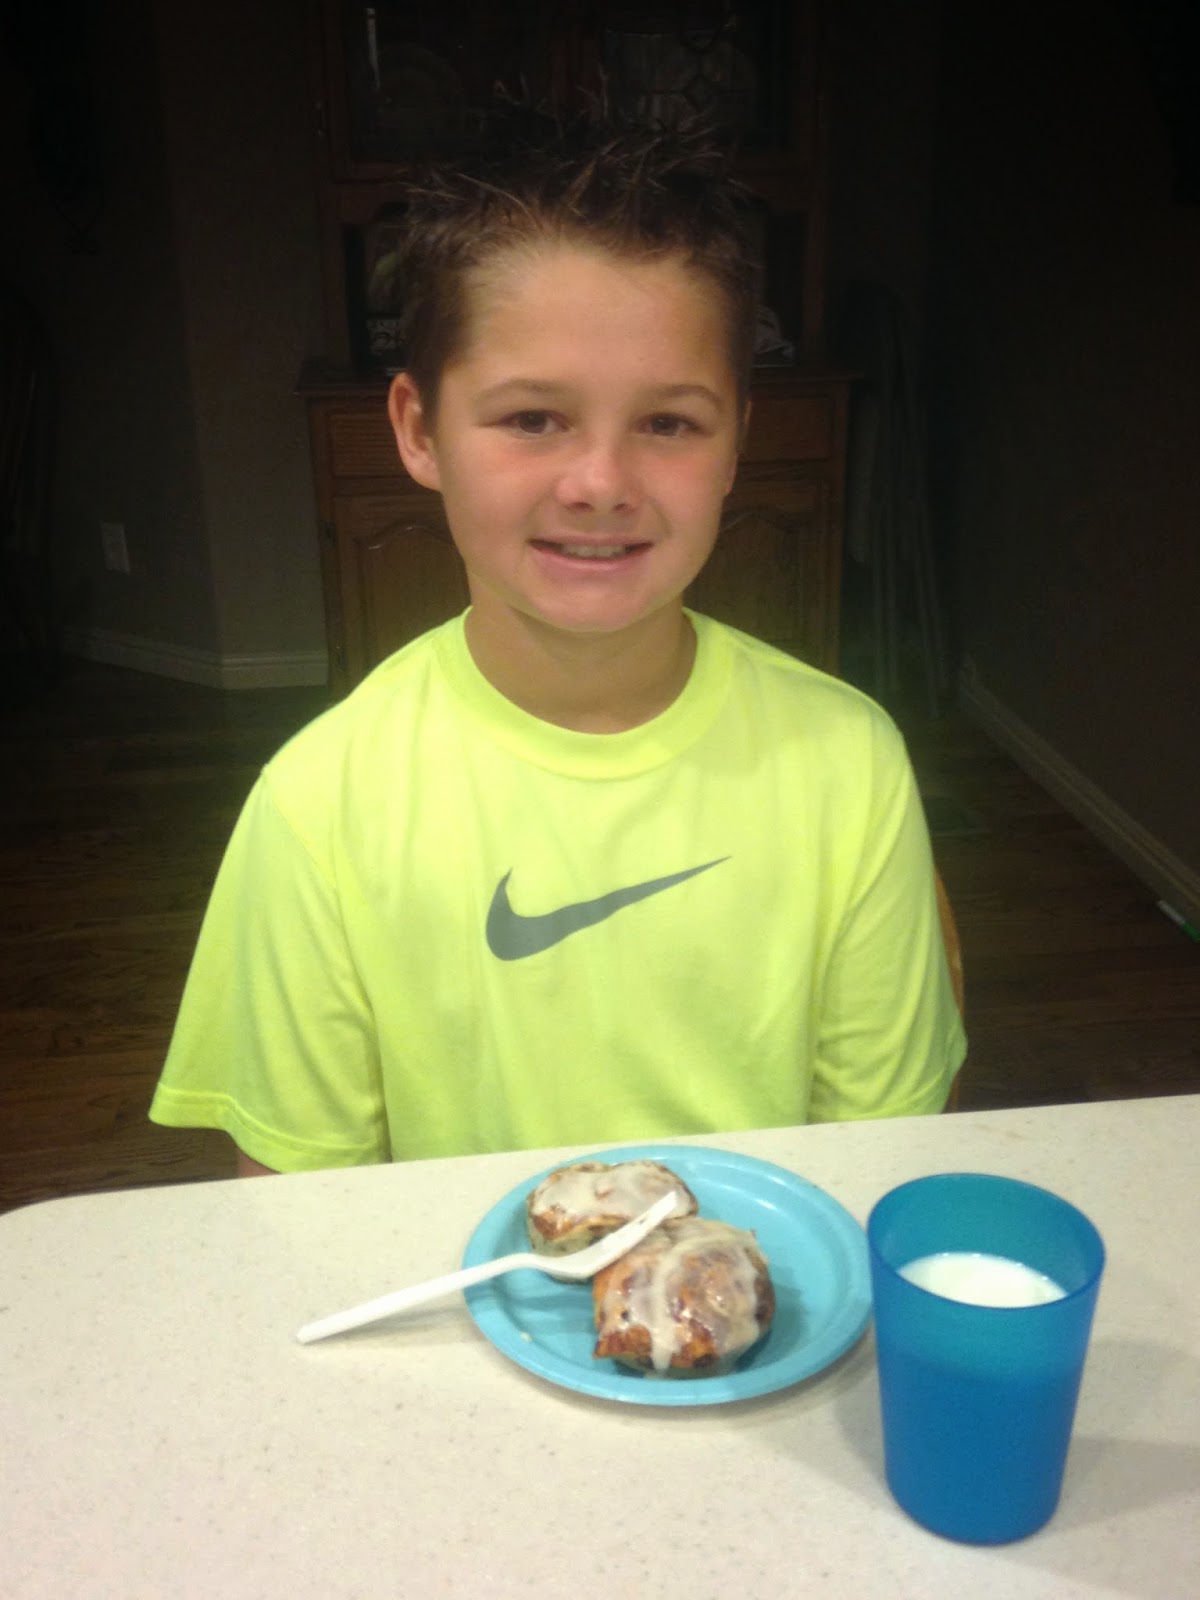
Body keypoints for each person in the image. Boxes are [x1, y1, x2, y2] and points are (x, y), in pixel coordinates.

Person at [149, 116, 965, 1176]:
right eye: (533, 418)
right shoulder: (320, 804)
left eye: (669, 423)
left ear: (738, 442)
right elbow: (302, 1208)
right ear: (418, 430)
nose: (600, 483)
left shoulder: (848, 762)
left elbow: (880, 1163)